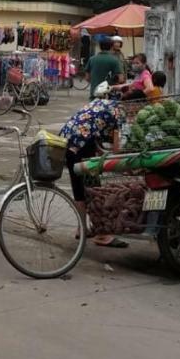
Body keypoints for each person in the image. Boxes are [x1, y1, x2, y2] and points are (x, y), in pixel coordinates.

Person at [59, 93, 130, 249]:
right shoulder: (120, 112)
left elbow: (94, 131)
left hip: (68, 140)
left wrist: (102, 154)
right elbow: (118, 148)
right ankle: (102, 235)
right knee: (94, 189)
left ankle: (82, 229)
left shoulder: (104, 103)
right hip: (81, 144)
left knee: (79, 187)